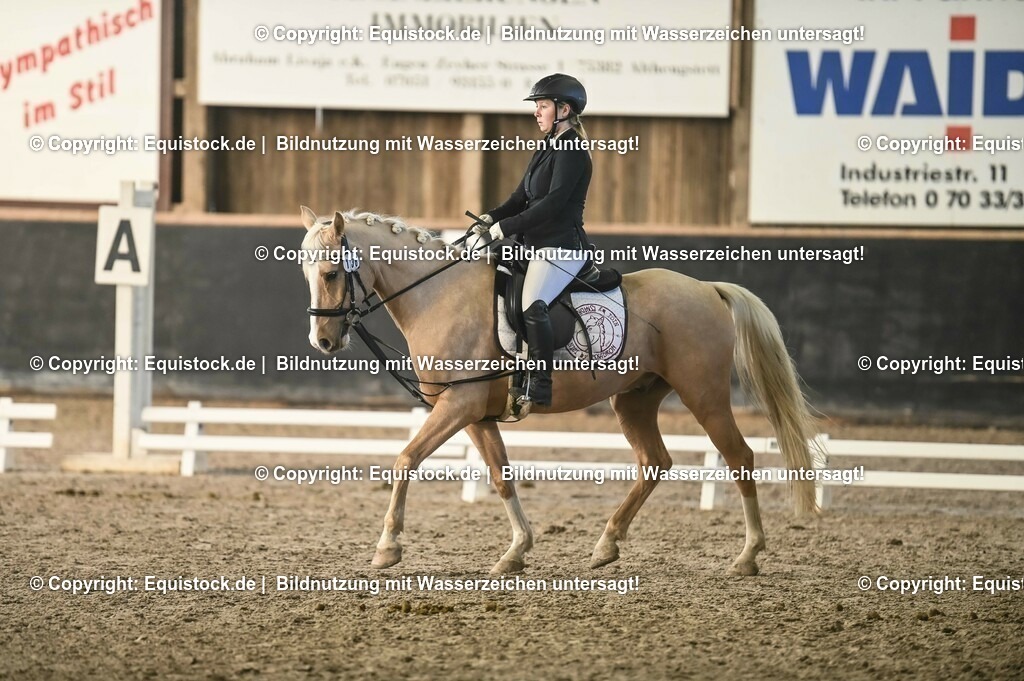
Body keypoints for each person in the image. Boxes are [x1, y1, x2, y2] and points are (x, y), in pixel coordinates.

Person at [471, 73, 593, 406]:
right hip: (535, 246)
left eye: (543, 106)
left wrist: (505, 228)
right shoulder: (547, 147)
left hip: (561, 248)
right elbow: (520, 197)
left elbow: (552, 205)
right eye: (537, 106)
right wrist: (491, 217)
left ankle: (540, 382)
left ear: (564, 110)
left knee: (532, 304)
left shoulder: (572, 150)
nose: (536, 112)